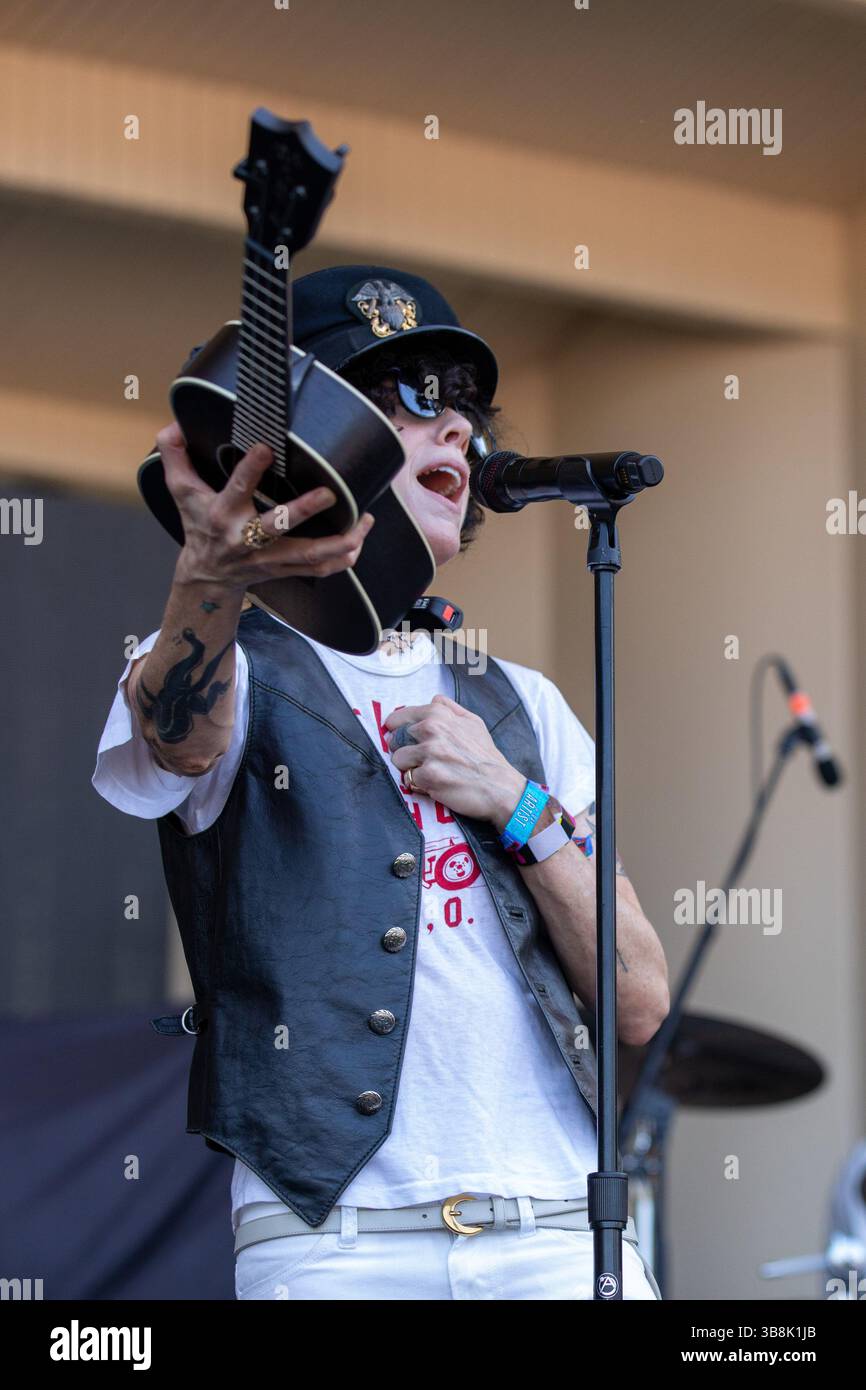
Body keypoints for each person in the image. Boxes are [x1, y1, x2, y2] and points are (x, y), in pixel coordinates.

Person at [93, 264, 669, 1301]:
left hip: (554, 1227)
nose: (452, 430)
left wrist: (516, 802)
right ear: (308, 442)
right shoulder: (221, 659)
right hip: (333, 1242)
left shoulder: (523, 704)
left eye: (462, 412)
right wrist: (213, 574)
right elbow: (175, 743)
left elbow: (636, 998)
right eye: (408, 400)